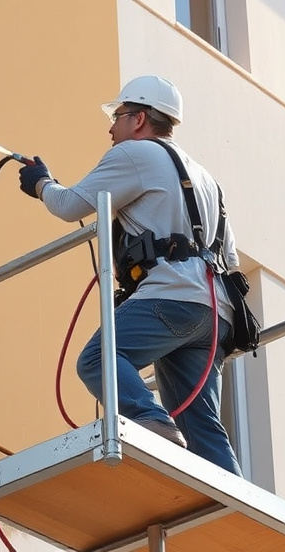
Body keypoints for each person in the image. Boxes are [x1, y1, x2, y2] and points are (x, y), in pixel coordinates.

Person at [17, 74, 242, 475]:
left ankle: (151, 424)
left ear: (138, 120)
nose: (111, 128)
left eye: (117, 116)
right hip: (215, 316)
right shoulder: (208, 180)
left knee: (98, 358)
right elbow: (230, 258)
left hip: (171, 298)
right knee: (203, 425)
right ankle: (241, 518)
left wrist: (41, 184)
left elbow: (70, 206)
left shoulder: (136, 154)